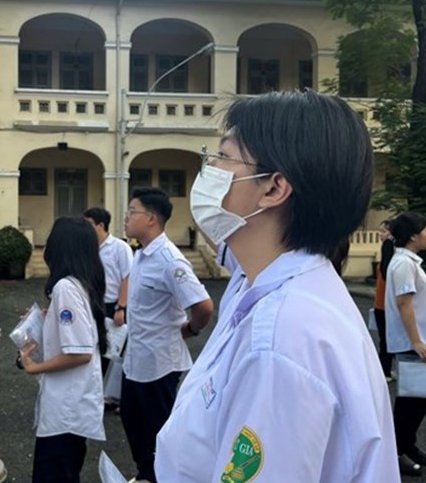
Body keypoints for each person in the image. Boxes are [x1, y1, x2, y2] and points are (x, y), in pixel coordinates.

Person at [155, 90, 399, 482]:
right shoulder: (270, 284)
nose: (208, 169)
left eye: (223, 156)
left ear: (273, 188)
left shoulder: (280, 340)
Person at [121, 187, 214, 483]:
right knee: (133, 422)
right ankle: (145, 474)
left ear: (151, 218)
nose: (126, 217)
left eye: (132, 212)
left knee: (159, 432)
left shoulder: (169, 260)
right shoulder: (141, 255)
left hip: (160, 364)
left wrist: (191, 328)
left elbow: (203, 305)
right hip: (135, 359)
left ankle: (159, 477)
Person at [18, 217, 107, 483]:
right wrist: (47, 320)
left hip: (66, 408)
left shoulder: (65, 287)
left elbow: (80, 352)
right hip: (71, 406)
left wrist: (34, 367)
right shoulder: (79, 283)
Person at [385, 211, 426, 477]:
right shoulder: (403, 264)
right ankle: (395, 452)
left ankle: (408, 446)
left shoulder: (409, 262)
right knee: (411, 401)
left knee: (422, 398)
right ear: (412, 236)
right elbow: (404, 304)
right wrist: (417, 342)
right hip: (412, 343)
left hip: (419, 341)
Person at [84, 207, 133, 408]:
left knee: (117, 352)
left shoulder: (120, 248)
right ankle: (99, 395)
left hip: (114, 306)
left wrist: (121, 307)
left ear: (100, 225)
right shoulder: (88, 248)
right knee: (97, 349)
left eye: (89, 224)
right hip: (93, 305)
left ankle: (118, 397)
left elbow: (128, 277)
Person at [374, 220, 396, 380]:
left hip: (384, 303)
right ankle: (385, 370)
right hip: (383, 302)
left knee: (386, 339)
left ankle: (385, 370)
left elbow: (386, 271)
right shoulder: (391, 249)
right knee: (387, 339)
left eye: (384, 231)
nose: (381, 235)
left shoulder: (388, 246)